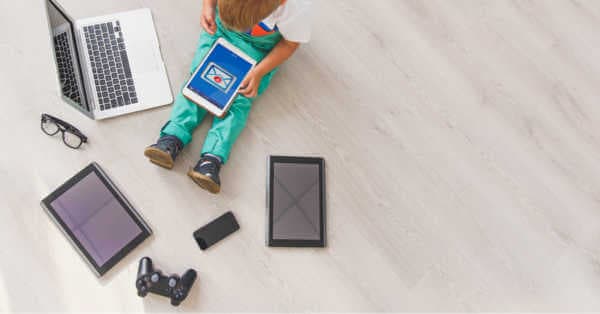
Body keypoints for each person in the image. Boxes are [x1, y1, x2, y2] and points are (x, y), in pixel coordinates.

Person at [144, 0, 312, 194]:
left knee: (239, 100)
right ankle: (173, 136)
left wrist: (258, 73)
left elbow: (289, 44)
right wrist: (208, 8)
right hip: (221, 31)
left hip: (259, 52)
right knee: (199, 83)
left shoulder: (297, 8)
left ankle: (212, 158)